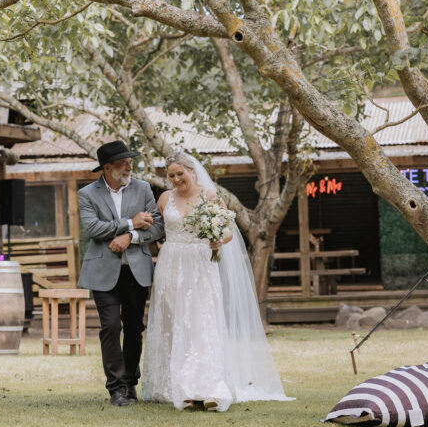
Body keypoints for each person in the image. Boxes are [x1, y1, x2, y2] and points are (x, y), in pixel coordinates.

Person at [142, 151, 292, 412]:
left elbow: (228, 233)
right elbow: (158, 230)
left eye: (180, 173)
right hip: (170, 266)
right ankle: (175, 384)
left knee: (200, 323)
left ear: (192, 171)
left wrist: (218, 241)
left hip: (200, 265)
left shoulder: (210, 197)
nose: (176, 179)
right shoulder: (165, 198)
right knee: (174, 322)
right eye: (171, 176)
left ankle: (207, 387)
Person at [77, 141, 164, 407]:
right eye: (123, 161)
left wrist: (131, 236)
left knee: (135, 328)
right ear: (107, 167)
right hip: (103, 271)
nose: (129, 165)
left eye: (130, 160)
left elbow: (157, 227)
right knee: (111, 326)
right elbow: (93, 228)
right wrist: (130, 222)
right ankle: (115, 388)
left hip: (137, 270)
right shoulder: (87, 194)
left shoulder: (143, 188)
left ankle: (129, 383)